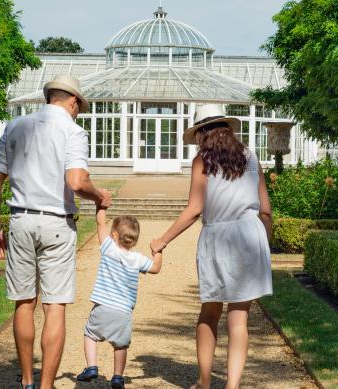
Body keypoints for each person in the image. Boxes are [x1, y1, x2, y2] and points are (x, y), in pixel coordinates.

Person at [0, 74, 113, 389]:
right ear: (73, 101)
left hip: (21, 220)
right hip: (56, 222)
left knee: (24, 302)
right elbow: (76, 182)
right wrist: (100, 196)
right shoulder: (73, 131)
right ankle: (46, 386)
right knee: (54, 306)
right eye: (78, 108)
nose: (78, 112)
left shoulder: (15, 127)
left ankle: (28, 380)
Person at [150, 104, 273, 389]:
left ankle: (204, 382)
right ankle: (232, 386)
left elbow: (195, 209)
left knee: (209, 311)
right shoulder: (251, 158)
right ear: (227, 128)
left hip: (219, 237)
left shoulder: (202, 160)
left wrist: (162, 240)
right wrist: (264, 243)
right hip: (250, 234)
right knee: (239, 318)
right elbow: (265, 210)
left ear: (202, 133)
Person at [76, 209, 162, 389]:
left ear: (114, 235)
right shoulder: (138, 259)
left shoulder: (109, 249)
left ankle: (91, 366)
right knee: (120, 345)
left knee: (90, 335)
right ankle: (117, 377)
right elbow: (155, 268)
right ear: (134, 240)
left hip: (102, 306)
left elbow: (100, 224)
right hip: (123, 312)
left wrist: (101, 207)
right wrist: (157, 251)